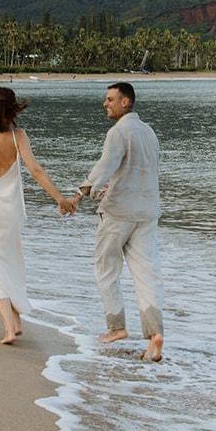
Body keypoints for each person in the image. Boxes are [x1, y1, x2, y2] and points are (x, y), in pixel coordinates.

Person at [0, 86, 75, 345]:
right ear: (12, 110)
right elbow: (36, 170)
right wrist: (60, 199)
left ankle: (9, 328)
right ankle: (16, 320)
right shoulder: (19, 136)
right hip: (12, 211)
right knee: (12, 265)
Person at [71, 81, 164, 363]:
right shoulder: (149, 132)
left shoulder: (118, 132)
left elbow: (105, 166)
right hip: (147, 211)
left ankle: (116, 328)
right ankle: (155, 334)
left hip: (119, 214)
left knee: (106, 269)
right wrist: (111, 186)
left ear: (126, 102)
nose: (105, 103)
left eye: (110, 99)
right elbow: (142, 170)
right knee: (146, 274)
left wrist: (80, 193)